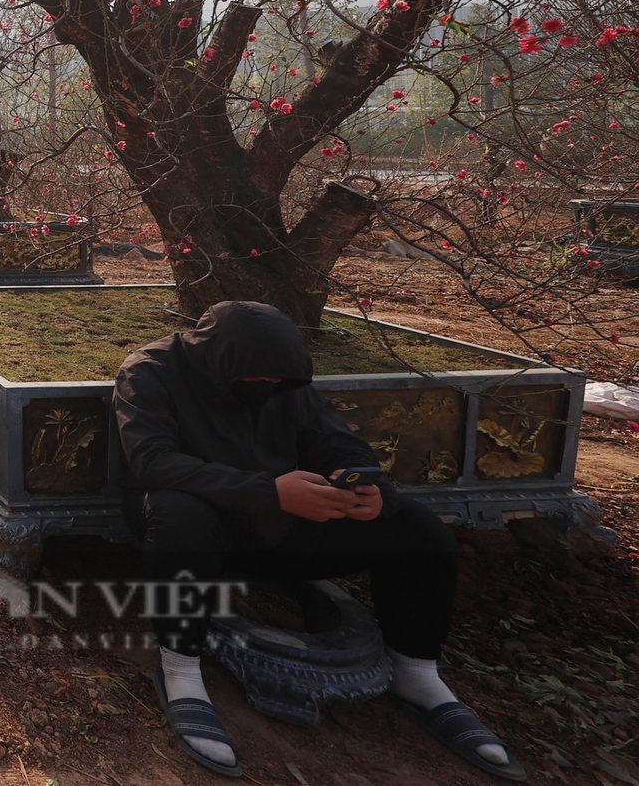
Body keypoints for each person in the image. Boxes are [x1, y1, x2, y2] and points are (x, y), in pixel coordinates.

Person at [113, 300, 524, 781]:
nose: (270, 389)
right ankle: (180, 668)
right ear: (218, 362)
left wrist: (372, 494)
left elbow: (333, 438)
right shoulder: (149, 371)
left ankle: (416, 673)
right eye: (259, 381)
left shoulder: (285, 382)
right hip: (204, 525)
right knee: (179, 514)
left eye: (278, 383)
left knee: (419, 530)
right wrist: (270, 492)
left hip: (285, 520)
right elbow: (153, 462)